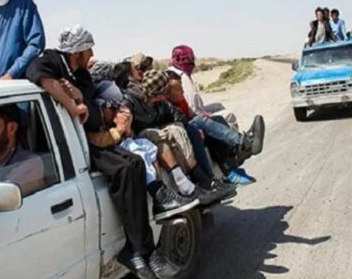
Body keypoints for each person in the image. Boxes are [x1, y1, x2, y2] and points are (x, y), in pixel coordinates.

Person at [26, 24, 181, 279]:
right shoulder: (53, 60)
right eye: (88, 50)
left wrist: (80, 100)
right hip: (64, 145)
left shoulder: (82, 76)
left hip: (84, 139)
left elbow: (92, 114)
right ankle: (143, 250)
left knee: (133, 163)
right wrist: (71, 104)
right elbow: (37, 74)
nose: (91, 55)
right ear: (78, 51)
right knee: (122, 168)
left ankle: (138, 249)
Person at [87, 82, 199, 221]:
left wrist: (126, 126)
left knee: (148, 147)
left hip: (121, 144)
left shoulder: (111, 116)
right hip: (108, 155)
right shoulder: (94, 120)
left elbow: (128, 136)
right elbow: (97, 140)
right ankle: (160, 195)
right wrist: (119, 130)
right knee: (137, 154)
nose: (117, 111)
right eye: (114, 107)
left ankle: (161, 196)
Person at [123, 69, 237, 204]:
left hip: (160, 132)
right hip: (140, 138)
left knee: (182, 129)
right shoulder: (130, 100)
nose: (166, 97)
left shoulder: (159, 103)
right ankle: (192, 186)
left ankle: (205, 182)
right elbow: (125, 126)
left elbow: (177, 114)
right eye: (163, 93)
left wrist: (180, 125)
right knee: (157, 136)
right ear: (155, 93)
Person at [167, 71, 265, 185]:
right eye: (178, 90)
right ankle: (242, 143)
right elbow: (176, 125)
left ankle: (234, 165)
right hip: (180, 135)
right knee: (200, 123)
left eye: (182, 88)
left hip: (189, 127)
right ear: (167, 93)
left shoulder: (180, 100)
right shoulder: (166, 106)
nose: (183, 92)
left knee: (216, 119)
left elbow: (190, 115)